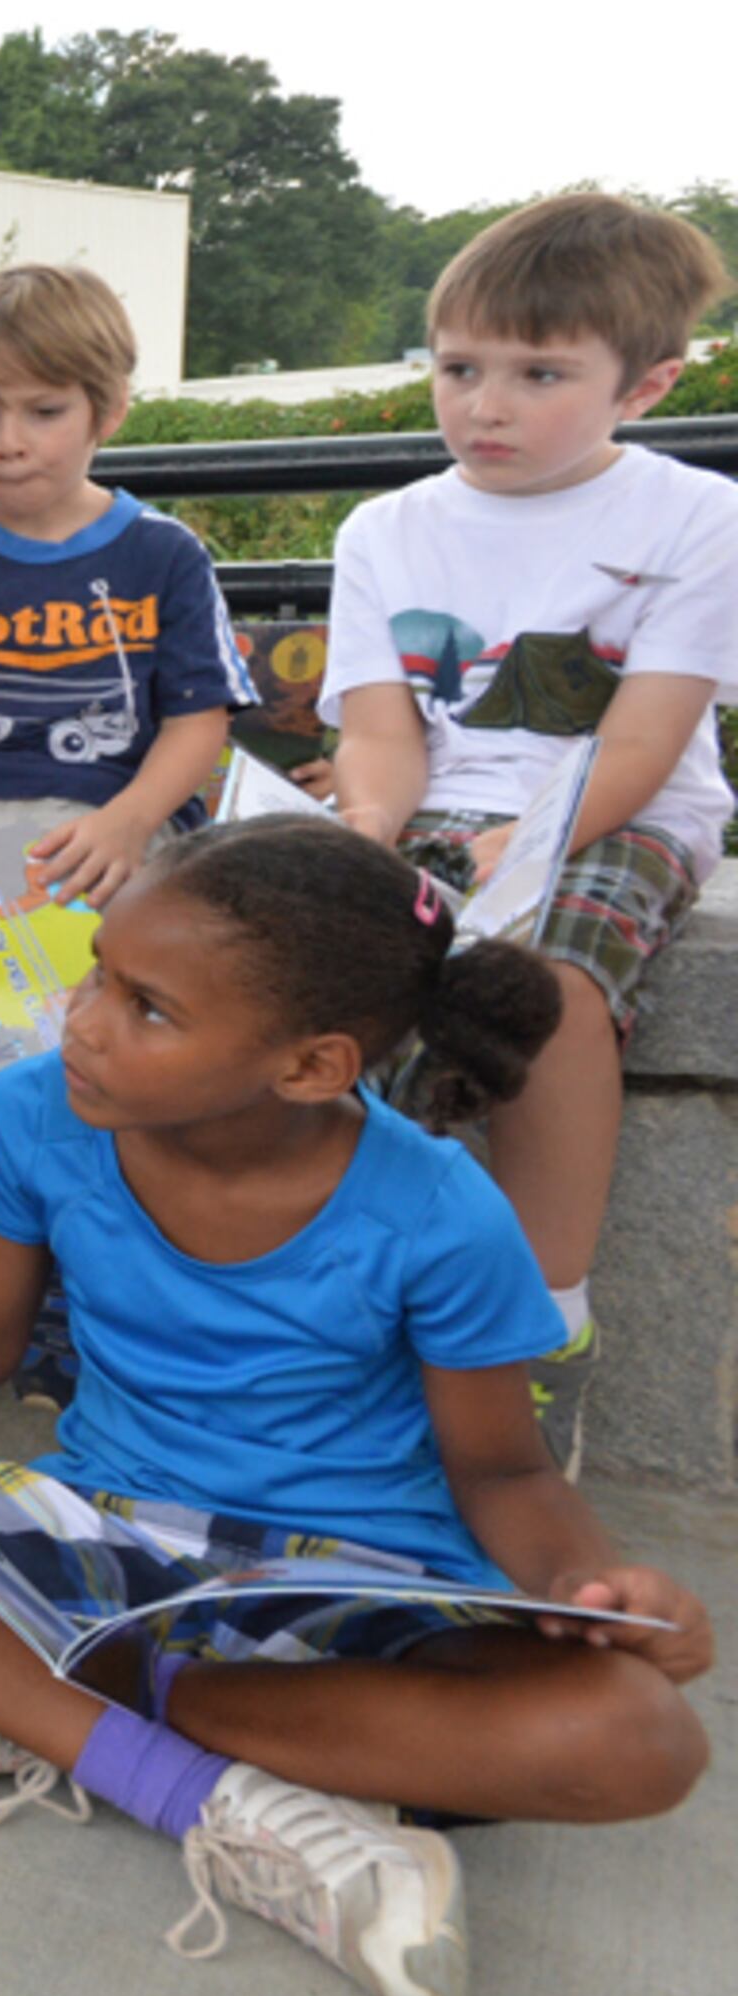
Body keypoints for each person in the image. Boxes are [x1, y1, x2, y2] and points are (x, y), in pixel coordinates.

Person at [0, 818, 712, 1996]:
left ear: (312, 1066)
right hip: (113, 1536)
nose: (83, 1018)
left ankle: (58, 1709)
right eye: (97, 972)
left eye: (148, 1008)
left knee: (638, 1742)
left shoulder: (440, 1211)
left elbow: (501, 1473)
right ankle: (220, 1792)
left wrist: (596, 1592)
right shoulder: (43, 1113)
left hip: (358, 1579)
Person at [321, 193, 738, 1464]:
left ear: (648, 383)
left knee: (538, 977)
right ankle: (331, 1310)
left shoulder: (694, 522)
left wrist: (521, 849)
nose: (483, 405)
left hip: (623, 814)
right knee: (294, 951)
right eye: (459, 368)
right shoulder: (386, 528)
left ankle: (545, 1320)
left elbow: (643, 742)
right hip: (448, 810)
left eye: (538, 373)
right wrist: (371, 834)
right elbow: (383, 734)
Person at [0, 266, 249, 1375]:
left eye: (44, 410)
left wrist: (127, 822)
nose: (9, 441)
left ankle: (76, 1268)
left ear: (107, 412)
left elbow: (198, 722)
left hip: (94, 829)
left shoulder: (162, 555)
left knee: (94, 1045)